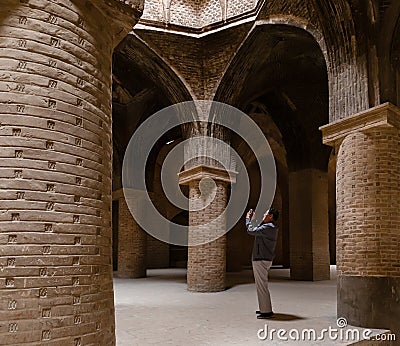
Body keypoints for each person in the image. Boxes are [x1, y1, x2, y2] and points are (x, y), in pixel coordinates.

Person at [245, 208, 279, 319]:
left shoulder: (268, 228)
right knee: (261, 285)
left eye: (265, 213)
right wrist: (254, 220)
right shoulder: (268, 228)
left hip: (261, 259)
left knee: (262, 286)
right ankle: (264, 308)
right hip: (263, 258)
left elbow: (251, 230)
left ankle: (267, 311)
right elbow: (257, 229)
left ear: (270, 216)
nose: (263, 215)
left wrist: (247, 219)